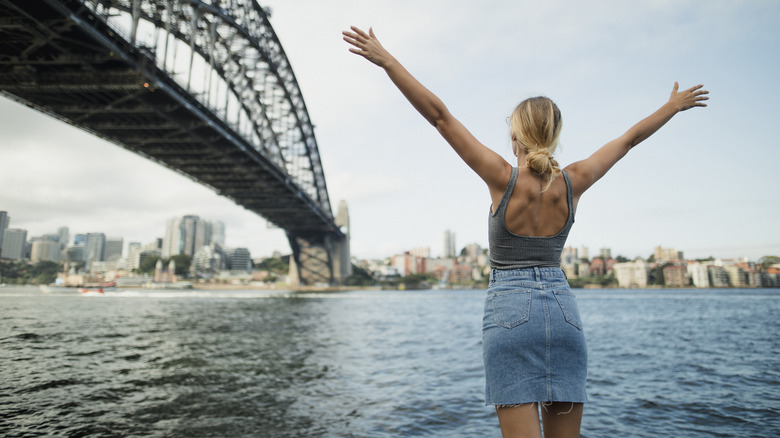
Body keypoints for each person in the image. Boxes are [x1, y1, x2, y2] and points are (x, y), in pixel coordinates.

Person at [342, 26, 708, 438]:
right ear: (553, 136)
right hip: (563, 311)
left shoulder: (502, 177)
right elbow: (627, 141)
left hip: (509, 313)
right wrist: (672, 106)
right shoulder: (575, 180)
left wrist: (388, 61)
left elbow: (440, 117)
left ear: (515, 135)